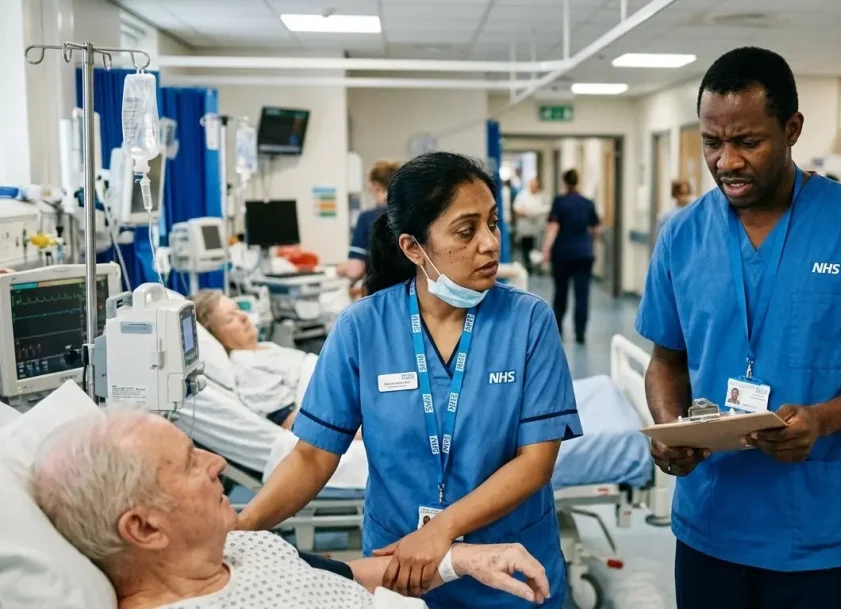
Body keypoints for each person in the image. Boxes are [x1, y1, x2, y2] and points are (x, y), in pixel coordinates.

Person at [635, 46, 841, 609]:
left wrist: (823, 419)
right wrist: (672, 428)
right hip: (709, 521)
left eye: (747, 141)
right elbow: (665, 359)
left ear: (792, 128)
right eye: (711, 142)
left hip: (817, 531)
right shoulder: (681, 236)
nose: (726, 161)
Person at [235, 151, 583, 608]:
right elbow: (312, 458)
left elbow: (535, 463)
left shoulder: (528, 321)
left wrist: (441, 530)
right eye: (467, 229)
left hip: (511, 571)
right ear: (413, 248)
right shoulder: (362, 329)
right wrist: (237, 536)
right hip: (400, 568)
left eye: (493, 223)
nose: (490, 243)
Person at [31, 411, 551, 609]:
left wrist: (463, 559)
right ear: (144, 527)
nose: (217, 463)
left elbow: (350, 574)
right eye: (191, 463)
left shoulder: (239, 548)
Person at [191, 290, 304, 429]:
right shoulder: (247, 371)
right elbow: (295, 425)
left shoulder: (263, 348)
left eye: (237, 310)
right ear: (215, 337)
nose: (244, 316)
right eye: (230, 319)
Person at [541, 169, 600, 344]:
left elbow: (553, 228)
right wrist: (586, 240)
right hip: (584, 254)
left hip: (562, 254)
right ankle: (580, 333)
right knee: (582, 295)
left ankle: (558, 330)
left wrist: (545, 250)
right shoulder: (587, 203)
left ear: (564, 182)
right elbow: (595, 228)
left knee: (561, 293)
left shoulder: (559, 202)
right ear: (577, 181)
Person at [338, 160, 402, 281]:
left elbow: (355, 270)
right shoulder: (412, 215)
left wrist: (338, 270)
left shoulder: (367, 218)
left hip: (381, 291)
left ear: (377, 187)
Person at [513, 178, 550, 273]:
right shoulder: (523, 195)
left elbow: (547, 208)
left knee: (538, 247)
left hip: (538, 226)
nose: (534, 187)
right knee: (527, 247)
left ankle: (539, 266)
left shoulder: (542, 195)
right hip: (526, 226)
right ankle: (528, 265)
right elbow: (516, 209)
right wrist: (526, 214)